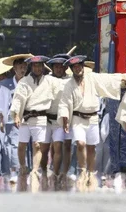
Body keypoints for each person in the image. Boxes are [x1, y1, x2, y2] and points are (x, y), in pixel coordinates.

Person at [58, 55, 126, 192]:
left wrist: (121, 78)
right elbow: (64, 103)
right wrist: (65, 118)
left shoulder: (92, 78)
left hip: (92, 118)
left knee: (91, 148)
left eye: (79, 66)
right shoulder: (68, 85)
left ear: (83, 67)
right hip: (77, 118)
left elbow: (107, 80)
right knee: (80, 144)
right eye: (75, 67)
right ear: (71, 69)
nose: (77, 68)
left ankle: (91, 172)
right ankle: (82, 170)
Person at [9, 55, 61, 192]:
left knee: (38, 145)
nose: (37, 68)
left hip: (41, 118)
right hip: (25, 117)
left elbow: (63, 86)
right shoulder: (24, 82)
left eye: (40, 65)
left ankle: (35, 170)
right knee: (22, 146)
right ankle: (23, 166)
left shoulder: (50, 80)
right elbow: (18, 99)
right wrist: (16, 115)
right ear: (32, 67)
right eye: (35, 65)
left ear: (43, 66)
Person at [0, 53, 32, 184]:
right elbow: (2, 104)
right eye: (20, 67)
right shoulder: (5, 85)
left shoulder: (31, 82)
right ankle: (14, 171)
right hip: (11, 120)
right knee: (13, 145)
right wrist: (2, 119)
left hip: (28, 119)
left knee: (27, 146)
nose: (22, 69)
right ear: (14, 68)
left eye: (24, 67)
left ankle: (26, 171)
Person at [44, 54, 73, 191]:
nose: (59, 69)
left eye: (61, 66)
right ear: (52, 68)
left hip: (66, 118)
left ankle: (61, 173)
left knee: (63, 145)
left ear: (66, 67)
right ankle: (47, 171)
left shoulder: (71, 80)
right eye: (56, 66)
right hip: (48, 117)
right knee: (46, 147)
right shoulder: (47, 80)